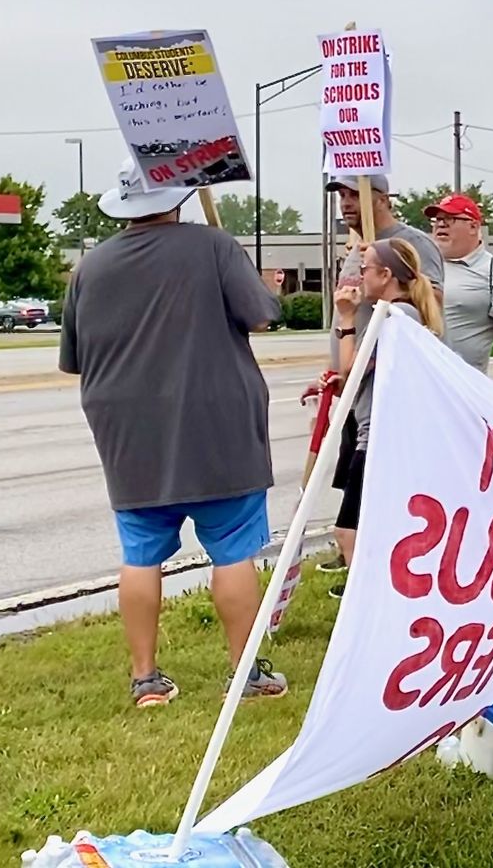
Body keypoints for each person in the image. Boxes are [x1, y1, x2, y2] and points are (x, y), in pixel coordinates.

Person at [59, 161, 288, 706]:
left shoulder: (90, 267)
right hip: (218, 425)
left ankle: (145, 678)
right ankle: (245, 671)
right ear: (178, 199)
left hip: (129, 432)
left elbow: (74, 359)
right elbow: (261, 316)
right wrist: (264, 287)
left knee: (140, 555)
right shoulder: (214, 246)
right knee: (233, 551)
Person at [318, 175, 442, 582]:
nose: (346, 203)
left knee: (363, 523)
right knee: (360, 511)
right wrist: (340, 381)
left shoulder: (407, 248)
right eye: (341, 195)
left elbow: (428, 310)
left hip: (386, 413)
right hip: (360, 399)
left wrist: (351, 330)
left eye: (356, 194)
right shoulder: (357, 249)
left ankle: (375, 595)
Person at [426, 193, 493, 389]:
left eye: (450, 219)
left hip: (462, 389)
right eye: (437, 220)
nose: (441, 225)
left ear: (473, 226)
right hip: (416, 384)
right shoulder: (423, 264)